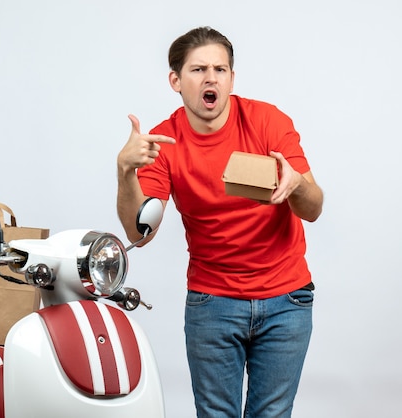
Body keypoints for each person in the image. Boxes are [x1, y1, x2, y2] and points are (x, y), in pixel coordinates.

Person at [116, 26, 323, 418]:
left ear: (231, 78)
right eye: (198, 70)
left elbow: (313, 208)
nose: (211, 78)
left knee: (273, 413)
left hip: (287, 300)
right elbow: (138, 234)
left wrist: (296, 186)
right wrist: (125, 172)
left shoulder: (267, 122)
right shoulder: (164, 143)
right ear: (175, 80)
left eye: (220, 69)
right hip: (213, 303)